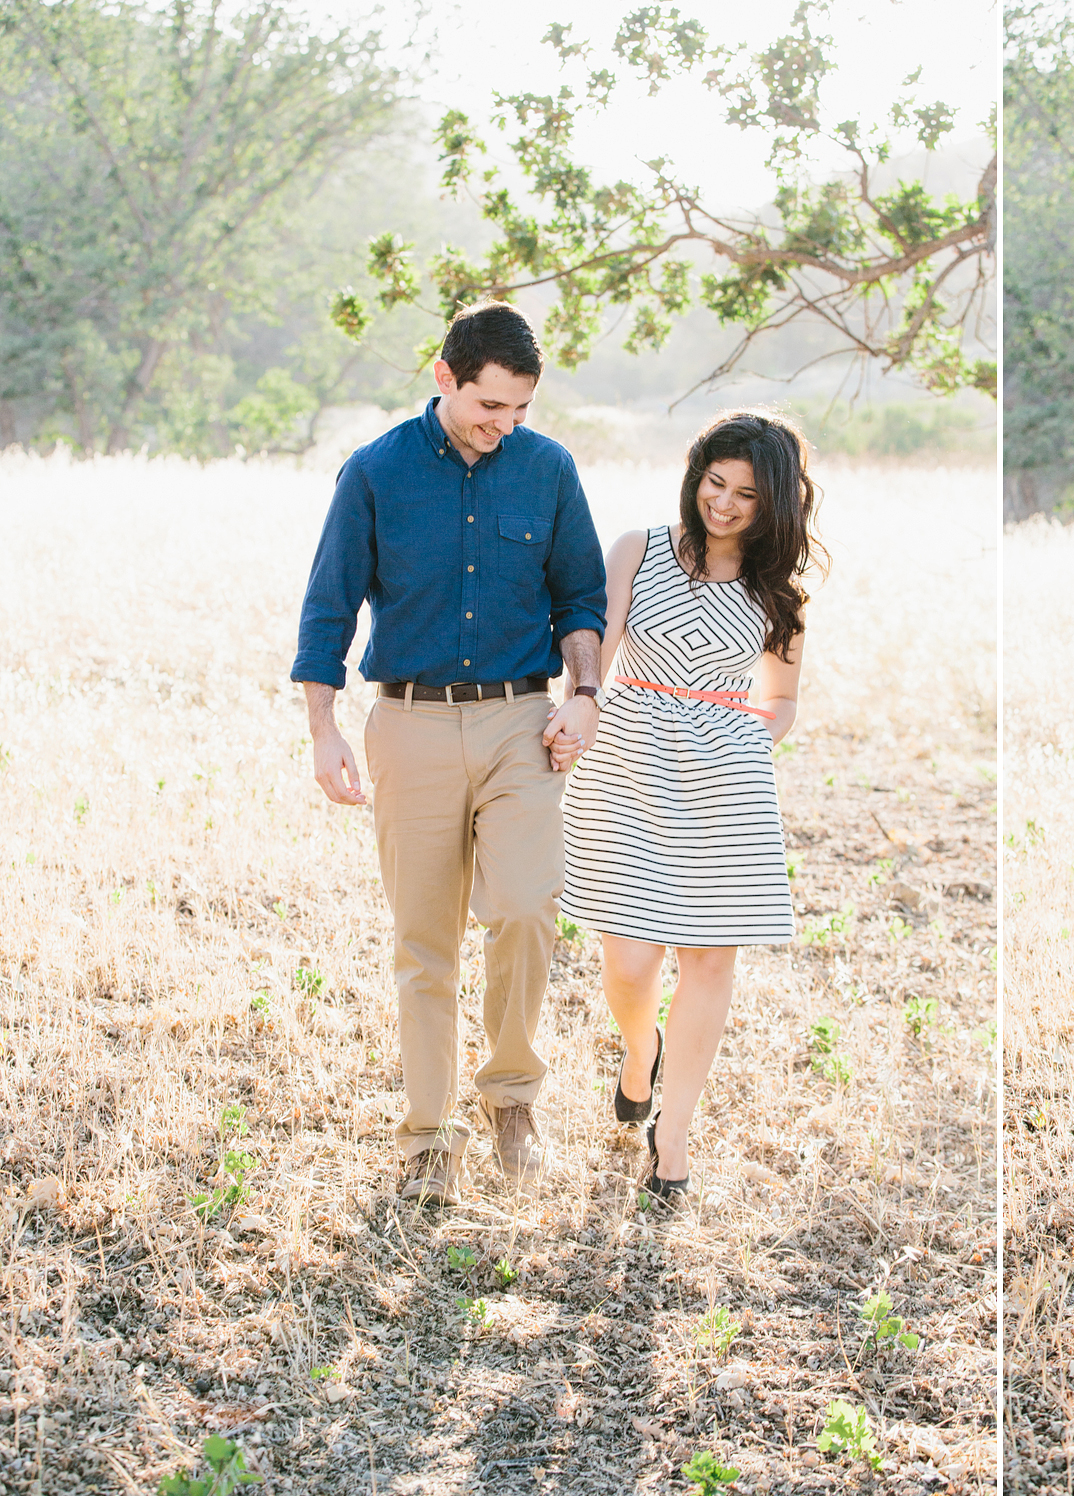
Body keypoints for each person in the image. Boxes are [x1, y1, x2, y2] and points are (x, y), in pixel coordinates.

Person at [292, 300, 607, 1205]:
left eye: (520, 410)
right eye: (488, 407)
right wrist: (324, 729)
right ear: (445, 378)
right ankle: (428, 1136)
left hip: (521, 724)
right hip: (412, 724)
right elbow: (328, 609)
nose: (503, 427)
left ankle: (512, 1094)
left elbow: (580, 600)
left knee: (524, 906)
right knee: (423, 943)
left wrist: (584, 698)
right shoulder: (375, 472)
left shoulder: (548, 470)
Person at [559, 410, 820, 1208]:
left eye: (747, 493)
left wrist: (746, 739)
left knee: (710, 958)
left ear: (774, 502)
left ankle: (672, 1138)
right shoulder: (638, 549)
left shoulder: (780, 593)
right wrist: (580, 705)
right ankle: (642, 1052)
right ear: (694, 474)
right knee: (631, 963)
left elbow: (780, 700)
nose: (726, 503)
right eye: (716, 483)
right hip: (628, 762)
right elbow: (593, 652)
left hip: (725, 781)